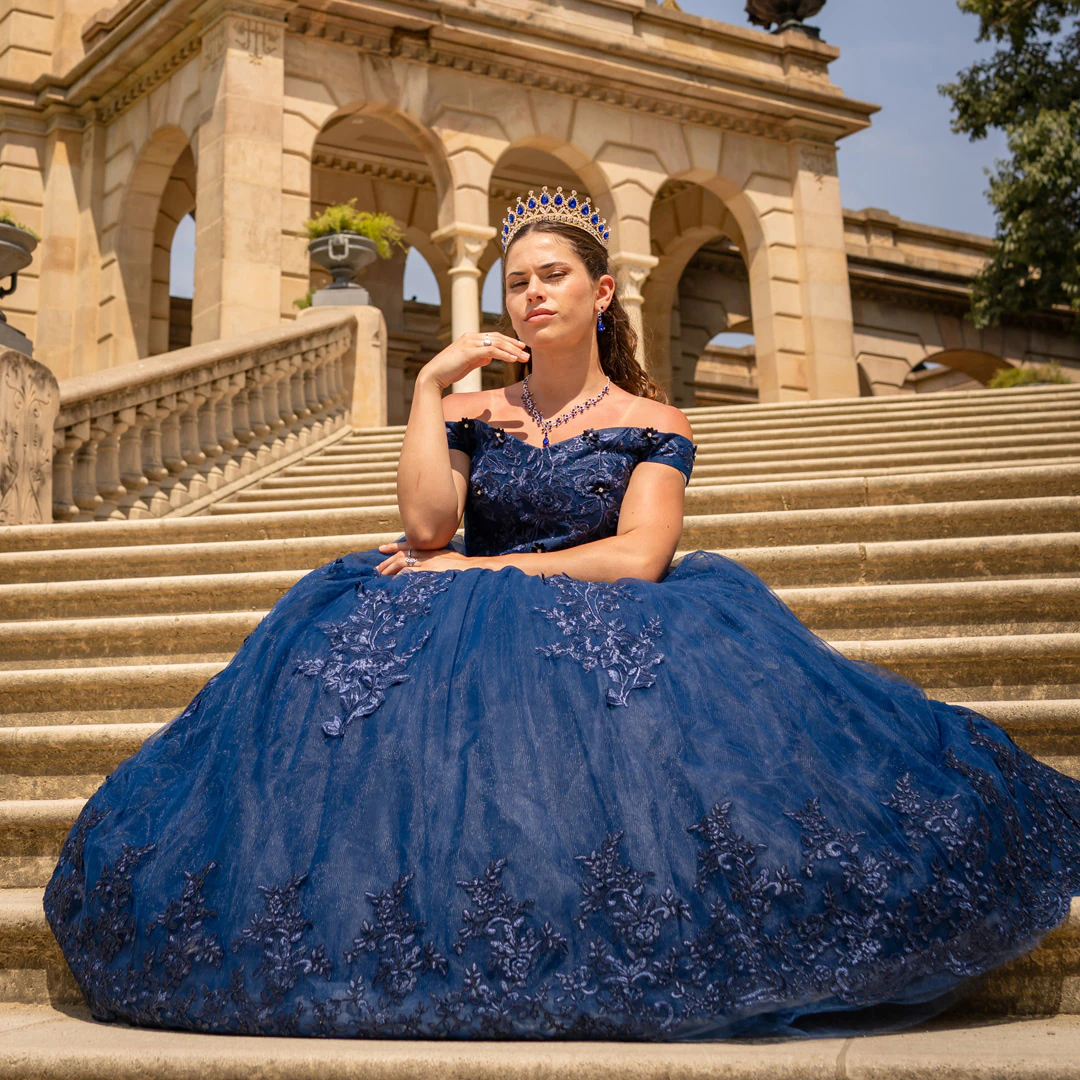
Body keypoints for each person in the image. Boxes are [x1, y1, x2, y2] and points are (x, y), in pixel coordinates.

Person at [44, 185, 1080, 1042]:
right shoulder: (472, 410)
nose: (533, 295)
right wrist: (428, 389)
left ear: (602, 292)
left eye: (553, 277)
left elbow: (640, 555)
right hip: (459, 608)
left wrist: (492, 581)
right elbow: (427, 523)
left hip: (589, 606)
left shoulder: (652, 423)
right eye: (518, 282)